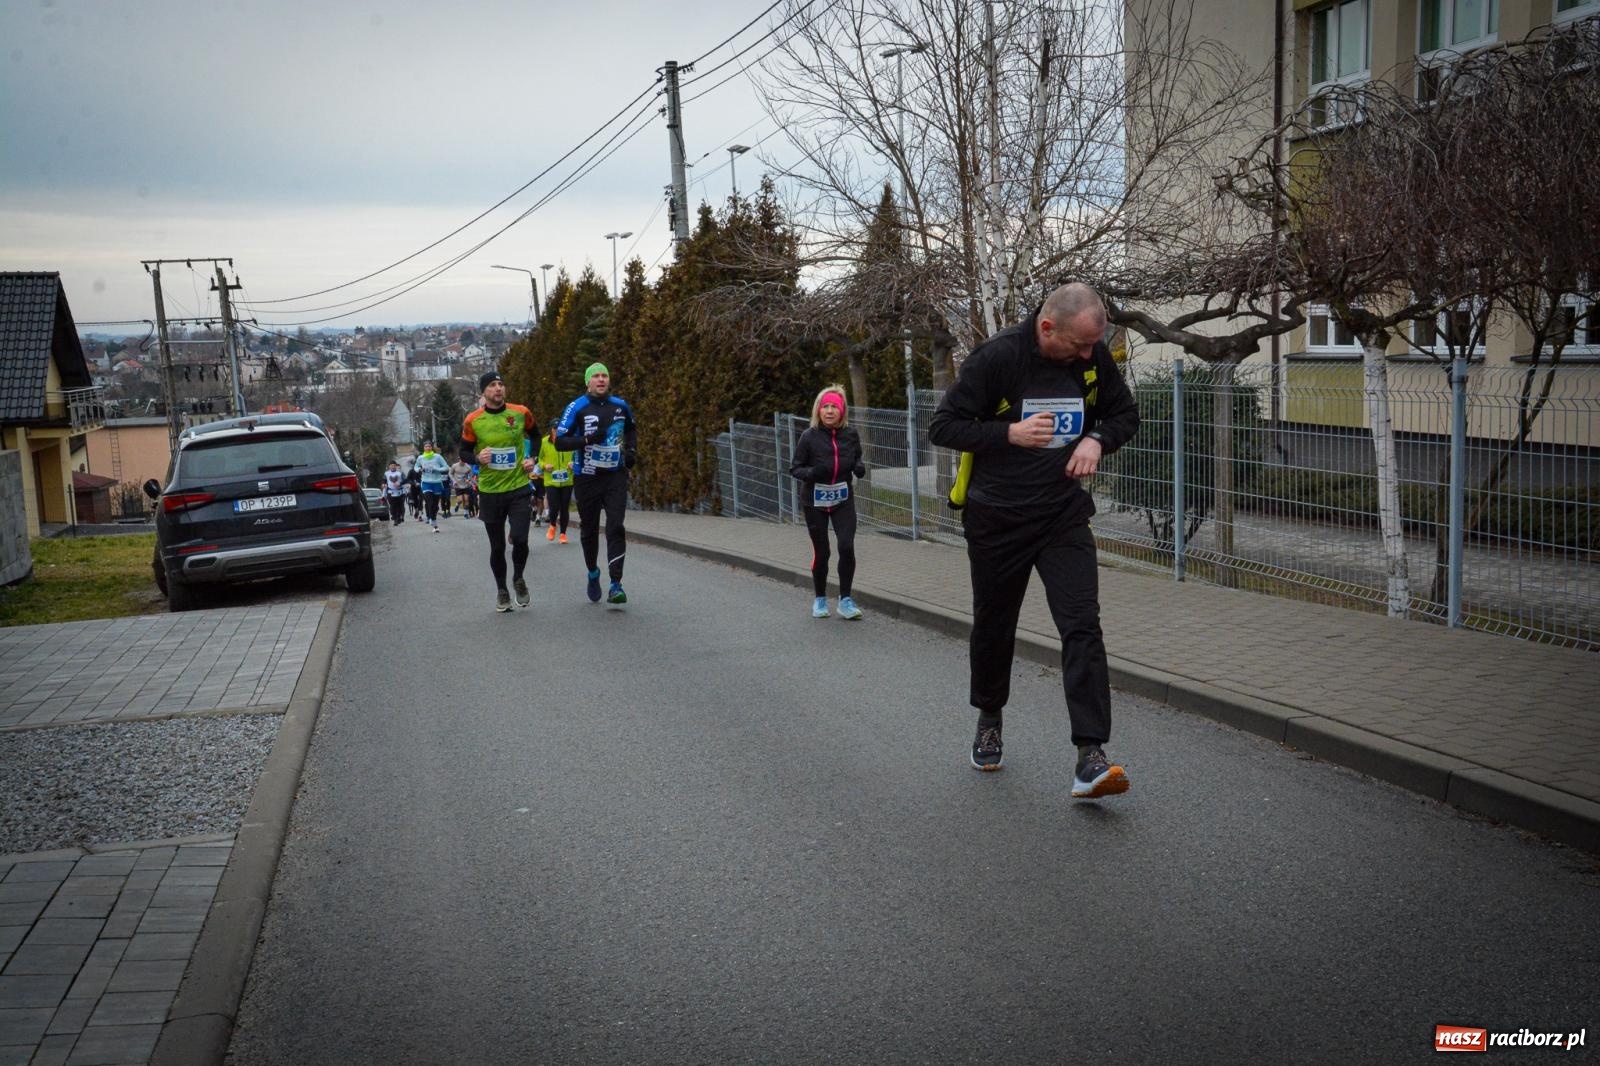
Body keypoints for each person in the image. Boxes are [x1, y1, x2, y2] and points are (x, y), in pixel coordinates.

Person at [927, 282, 1140, 797]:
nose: (1089, 355)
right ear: (1047, 328)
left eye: (1095, 346)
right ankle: (990, 716)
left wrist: (1096, 438)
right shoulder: (997, 359)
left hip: (1062, 517)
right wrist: (1008, 434)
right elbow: (943, 426)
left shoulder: (1090, 364)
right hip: (997, 519)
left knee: (1082, 625)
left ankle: (1090, 756)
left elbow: (1124, 415)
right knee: (995, 626)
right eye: (1079, 345)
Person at [554, 363, 637, 604]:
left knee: (615, 526)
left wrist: (631, 451)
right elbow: (560, 441)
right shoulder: (577, 407)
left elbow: (632, 430)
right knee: (589, 531)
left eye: (605, 376)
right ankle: (593, 572)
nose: (601, 380)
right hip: (587, 477)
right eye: (596, 376)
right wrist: (587, 438)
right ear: (588, 382)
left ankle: (615, 583)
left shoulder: (620, 406)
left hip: (614, 475)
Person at [459, 371, 540, 612]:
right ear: (484, 392)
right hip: (491, 491)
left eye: (501, 384)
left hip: (518, 487)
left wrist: (532, 458)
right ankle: (502, 590)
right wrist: (476, 458)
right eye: (493, 385)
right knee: (497, 547)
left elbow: (535, 435)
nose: (498, 389)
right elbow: (463, 451)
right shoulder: (473, 420)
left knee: (521, 539)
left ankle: (518, 578)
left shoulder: (520, 412)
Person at [789, 385, 867, 620]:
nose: (830, 411)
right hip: (815, 501)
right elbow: (795, 468)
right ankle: (820, 599)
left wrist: (858, 466)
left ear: (842, 411)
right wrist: (814, 472)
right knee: (822, 552)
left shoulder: (851, 435)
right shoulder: (809, 437)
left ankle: (845, 600)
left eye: (835, 407)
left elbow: (857, 457)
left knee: (846, 545)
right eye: (826, 407)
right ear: (819, 411)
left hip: (842, 499)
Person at [535, 425, 575, 544]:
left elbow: (578, 455)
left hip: (567, 480)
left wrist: (573, 463)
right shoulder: (544, 442)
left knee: (564, 507)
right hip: (551, 480)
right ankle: (552, 525)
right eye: (555, 428)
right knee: (553, 506)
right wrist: (544, 466)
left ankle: (563, 534)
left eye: (559, 428)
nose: (557, 430)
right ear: (551, 429)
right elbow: (539, 459)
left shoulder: (570, 440)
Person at [415, 441, 451, 532]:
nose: (428, 448)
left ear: (432, 448)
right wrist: (419, 469)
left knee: (435, 505)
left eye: (429, 446)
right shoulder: (420, 458)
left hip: (437, 482)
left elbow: (446, 467)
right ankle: (433, 522)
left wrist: (437, 469)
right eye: (426, 446)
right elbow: (415, 467)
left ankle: (433, 518)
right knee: (429, 501)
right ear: (424, 448)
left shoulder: (437, 457)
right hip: (426, 482)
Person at [382, 460, 406, 525]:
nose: (393, 467)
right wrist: (383, 484)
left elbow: (405, 480)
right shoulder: (386, 473)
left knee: (400, 506)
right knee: (392, 506)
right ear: (389, 466)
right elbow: (384, 481)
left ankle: (399, 517)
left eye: (394, 465)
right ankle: (395, 519)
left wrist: (400, 483)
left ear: (396, 466)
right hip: (390, 492)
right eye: (391, 466)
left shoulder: (400, 473)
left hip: (400, 492)